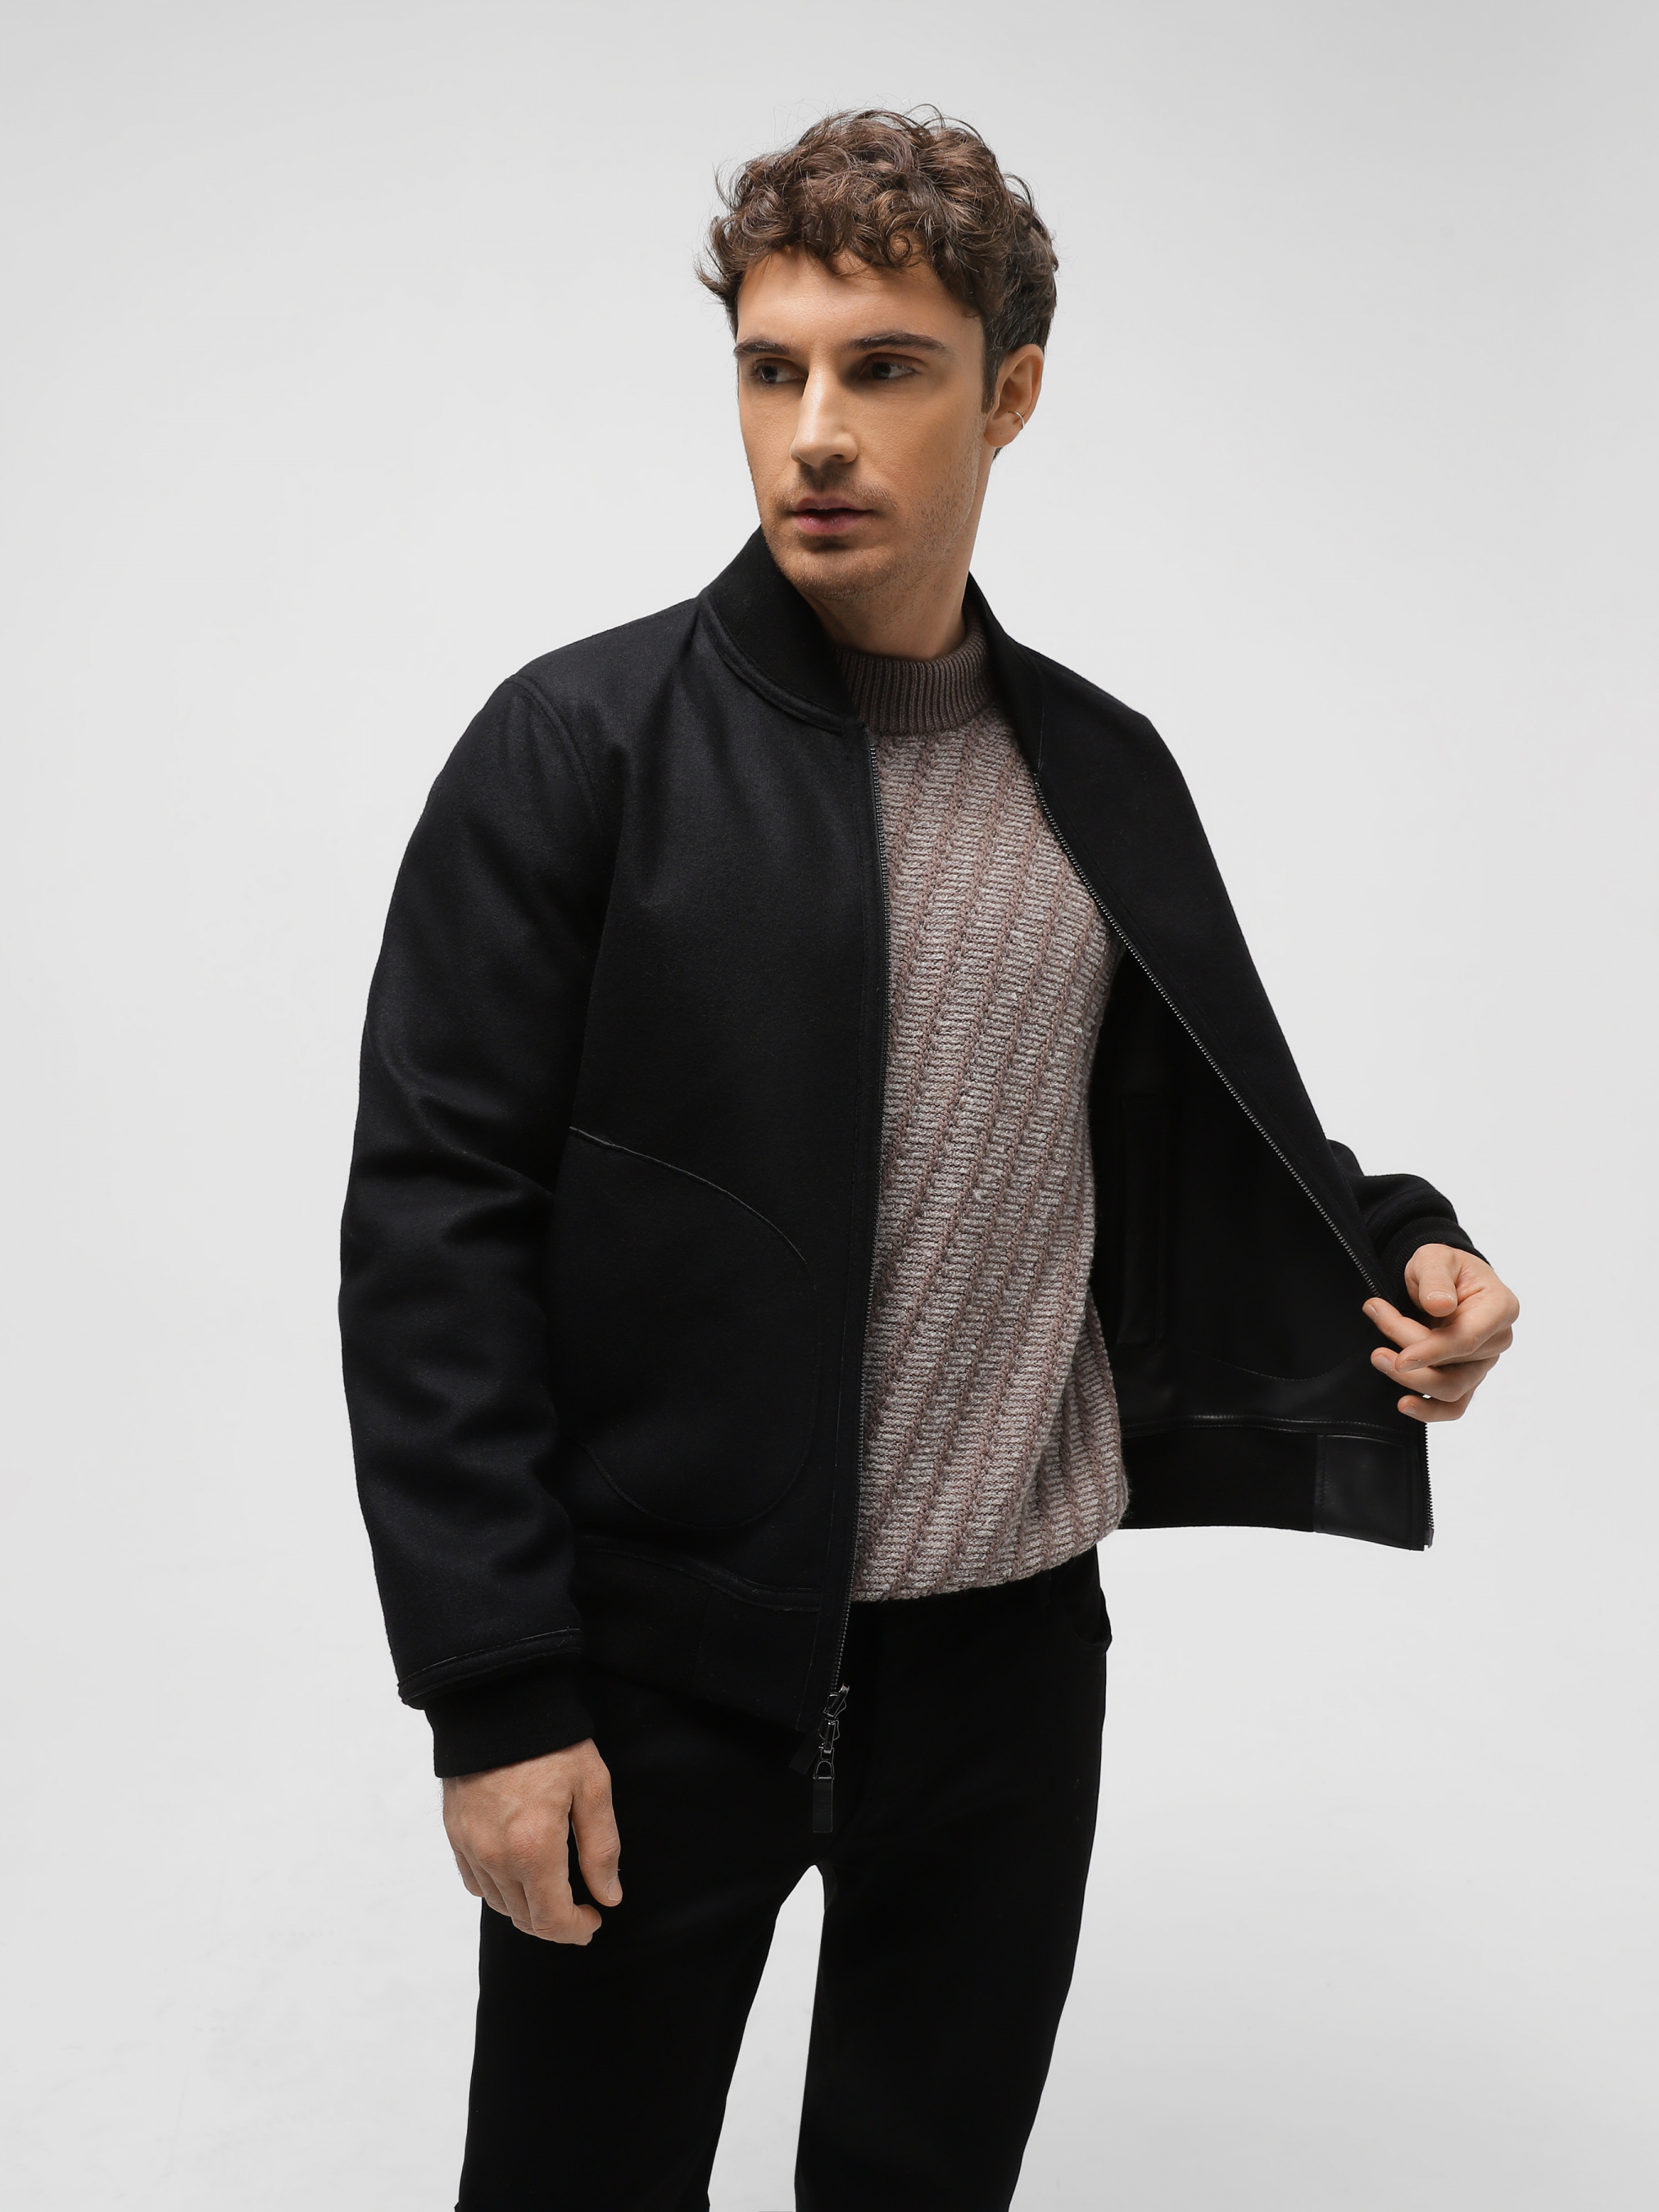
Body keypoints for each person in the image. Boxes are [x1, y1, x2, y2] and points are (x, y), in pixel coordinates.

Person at [339, 108, 1518, 2212]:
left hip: (1004, 1674)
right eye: (769, 367)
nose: (812, 430)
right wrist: (495, 1698)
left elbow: (1203, 1127)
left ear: (1007, 392)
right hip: (656, 1676)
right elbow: (435, 1234)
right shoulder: (578, 749)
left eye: (880, 367)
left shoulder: (1098, 771)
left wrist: (1413, 1252)